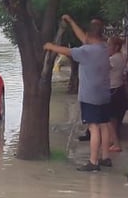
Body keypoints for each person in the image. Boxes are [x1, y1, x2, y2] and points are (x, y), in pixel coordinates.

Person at [44, 15, 112, 172]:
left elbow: (67, 51)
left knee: (93, 127)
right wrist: (72, 21)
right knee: (104, 125)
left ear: (89, 35)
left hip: (90, 96)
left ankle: (93, 162)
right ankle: (105, 157)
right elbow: (84, 38)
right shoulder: (103, 47)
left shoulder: (86, 52)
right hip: (104, 93)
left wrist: (50, 46)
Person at [107, 36, 127, 152]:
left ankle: (115, 143)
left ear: (116, 47)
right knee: (113, 119)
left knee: (108, 119)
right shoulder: (121, 57)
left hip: (112, 90)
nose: (107, 48)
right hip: (118, 89)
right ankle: (112, 140)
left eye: (109, 45)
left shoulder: (113, 59)